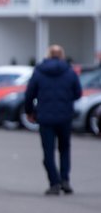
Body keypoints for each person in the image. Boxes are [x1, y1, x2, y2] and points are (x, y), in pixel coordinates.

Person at [24, 44, 82, 195]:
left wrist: (29, 111)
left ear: (48, 55)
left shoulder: (39, 71)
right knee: (64, 149)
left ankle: (54, 182)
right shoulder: (69, 71)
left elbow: (29, 94)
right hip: (65, 116)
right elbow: (78, 93)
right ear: (61, 55)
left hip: (45, 117)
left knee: (48, 152)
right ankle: (65, 180)